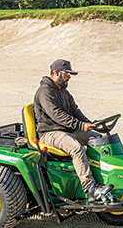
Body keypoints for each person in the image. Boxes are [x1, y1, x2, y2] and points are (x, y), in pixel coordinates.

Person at [34, 59, 114, 203]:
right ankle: (90, 188)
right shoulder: (45, 91)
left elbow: (75, 111)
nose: (69, 77)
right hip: (50, 133)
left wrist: (90, 124)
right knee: (76, 148)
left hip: (67, 130)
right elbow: (56, 115)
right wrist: (80, 125)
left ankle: (106, 177)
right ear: (56, 73)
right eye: (67, 74)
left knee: (97, 139)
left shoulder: (64, 92)